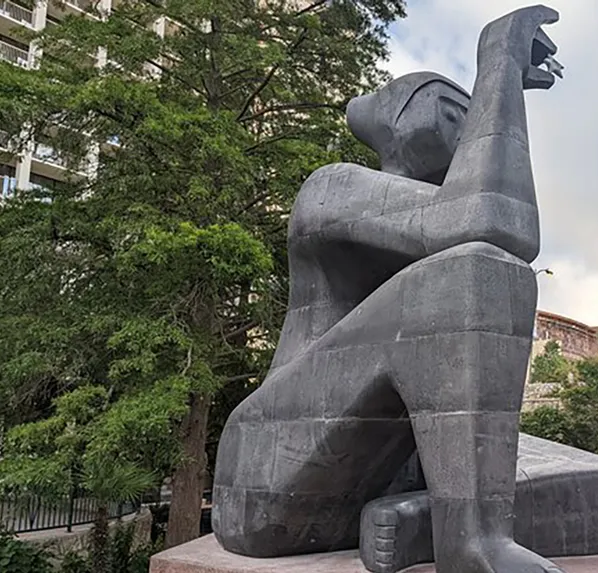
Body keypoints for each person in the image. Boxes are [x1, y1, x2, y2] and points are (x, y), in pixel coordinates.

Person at [211, 6, 566, 572]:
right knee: (473, 270)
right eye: (453, 113)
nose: (467, 129)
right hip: (270, 472)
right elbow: (498, 221)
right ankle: (470, 541)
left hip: (386, 477)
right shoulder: (331, 190)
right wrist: (498, 63)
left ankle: (422, 522)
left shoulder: (444, 217)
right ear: (401, 123)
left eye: (473, 119)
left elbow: (487, 215)